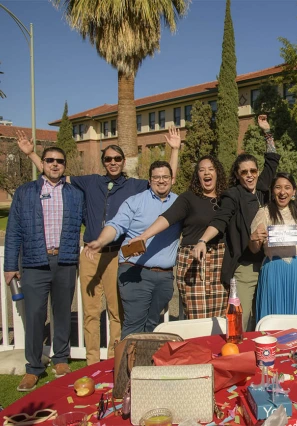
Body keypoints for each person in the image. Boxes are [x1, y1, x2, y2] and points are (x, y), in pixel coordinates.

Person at [16, 129, 180, 364]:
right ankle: (92, 361)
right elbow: (56, 175)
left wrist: (174, 150)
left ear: (123, 162)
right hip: (91, 254)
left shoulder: (136, 186)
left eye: (117, 159)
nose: (112, 162)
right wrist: (32, 155)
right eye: (108, 159)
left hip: (117, 255)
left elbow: (166, 180)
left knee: (117, 312)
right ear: (104, 162)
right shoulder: (91, 181)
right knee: (90, 311)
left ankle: (116, 359)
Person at [4, 147, 84, 392]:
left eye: (60, 161)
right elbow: (14, 230)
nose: (55, 164)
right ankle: (34, 368)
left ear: (64, 165)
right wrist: (10, 266)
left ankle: (60, 359)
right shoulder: (26, 192)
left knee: (62, 313)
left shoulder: (74, 194)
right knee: (35, 315)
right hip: (34, 262)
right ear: (43, 164)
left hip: (65, 261)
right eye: (50, 160)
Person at [193, 115, 280, 331]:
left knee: (266, 317)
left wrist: (267, 131)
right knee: (244, 319)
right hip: (246, 266)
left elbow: (272, 160)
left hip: (269, 264)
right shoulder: (233, 195)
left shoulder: (263, 190)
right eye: (244, 172)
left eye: (253, 171)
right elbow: (220, 220)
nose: (249, 175)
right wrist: (202, 240)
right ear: (238, 175)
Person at [84, 161, 181, 338]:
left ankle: (144, 365)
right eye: (156, 177)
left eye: (165, 177)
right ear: (150, 180)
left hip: (164, 277)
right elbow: (115, 225)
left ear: (172, 179)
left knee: (152, 325)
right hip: (135, 272)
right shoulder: (135, 202)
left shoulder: (179, 203)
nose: (161, 181)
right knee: (134, 325)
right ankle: (126, 365)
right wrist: (101, 241)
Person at [129, 155, 228, 319]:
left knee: (220, 320)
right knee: (198, 320)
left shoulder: (226, 199)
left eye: (211, 169)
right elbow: (167, 217)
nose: (206, 173)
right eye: (201, 170)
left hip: (220, 261)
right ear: (197, 175)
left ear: (218, 173)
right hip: (193, 261)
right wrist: (144, 236)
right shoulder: (188, 198)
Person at [249, 173, 297, 321]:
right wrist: (254, 238)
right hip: (274, 270)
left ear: (293, 191)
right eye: (278, 187)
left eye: (287, 187)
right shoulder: (264, 212)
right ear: (272, 191)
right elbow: (254, 248)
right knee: (275, 320)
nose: (282, 192)